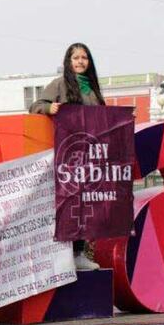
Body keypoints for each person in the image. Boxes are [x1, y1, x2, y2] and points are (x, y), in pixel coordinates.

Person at [29, 42, 105, 270]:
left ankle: (79, 253)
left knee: (84, 204)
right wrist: (49, 108)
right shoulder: (59, 84)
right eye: (76, 58)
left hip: (89, 156)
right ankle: (64, 254)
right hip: (67, 155)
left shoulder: (93, 88)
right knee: (68, 204)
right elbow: (35, 105)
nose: (80, 61)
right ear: (68, 62)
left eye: (84, 58)